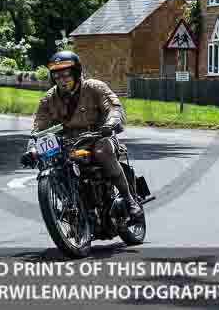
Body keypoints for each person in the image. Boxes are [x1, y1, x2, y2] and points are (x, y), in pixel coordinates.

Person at [20, 51, 143, 219]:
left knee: (102, 151)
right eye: (57, 76)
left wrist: (110, 124)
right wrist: (33, 149)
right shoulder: (48, 100)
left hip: (98, 136)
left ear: (76, 73)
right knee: (49, 162)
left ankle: (130, 201)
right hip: (68, 143)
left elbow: (114, 107)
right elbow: (38, 129)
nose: (62, 80)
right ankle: (69, 203)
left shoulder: (94, 87)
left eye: (66, 75)